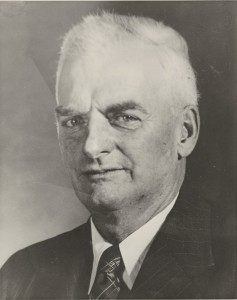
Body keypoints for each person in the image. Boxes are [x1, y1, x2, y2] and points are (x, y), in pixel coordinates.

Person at [0, 12, 234, 299]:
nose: (91, 146)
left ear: (184, 133)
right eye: (74, 121)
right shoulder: (19, 275)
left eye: (123, 117)